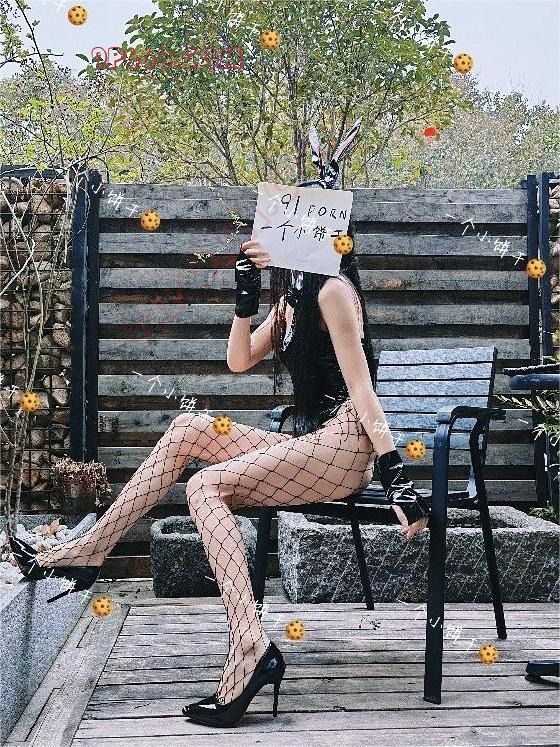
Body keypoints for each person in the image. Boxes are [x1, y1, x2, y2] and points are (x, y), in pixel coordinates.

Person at [9, 120, 430, 729]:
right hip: (310, 443)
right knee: (189, 429)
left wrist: (395, 474)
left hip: (345, 447)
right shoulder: (291, 301)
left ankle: (250, 645)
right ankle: (91, 550)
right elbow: (238, 360)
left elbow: (364, 391)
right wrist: (244, 300)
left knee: (206, 486)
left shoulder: (334, 293)